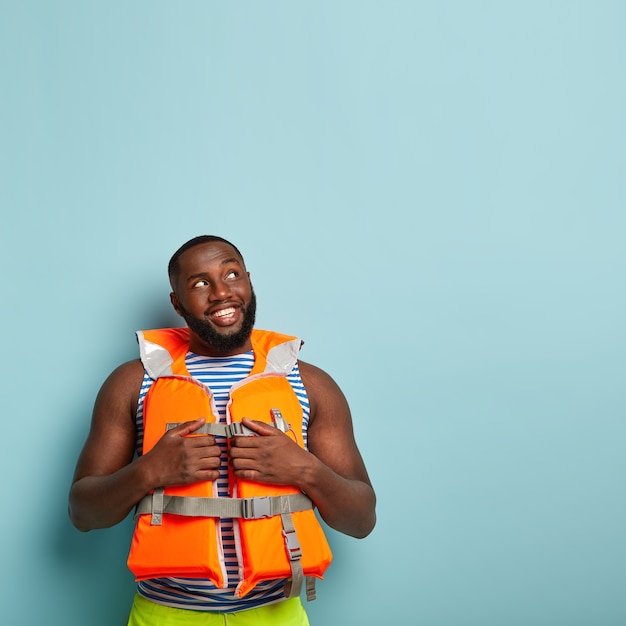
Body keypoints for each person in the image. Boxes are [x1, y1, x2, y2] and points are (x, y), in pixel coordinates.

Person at [69, 235, 376, 625]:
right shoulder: (134, 383)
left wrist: (304, 470)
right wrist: (148, 471)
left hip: (274, 616)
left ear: (248, 281)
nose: (220, 292)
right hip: (166, 615)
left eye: (232, 274)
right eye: (200, 283)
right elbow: (83, 512)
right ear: (176, 303)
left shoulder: (310, 384)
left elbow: (362, 519)